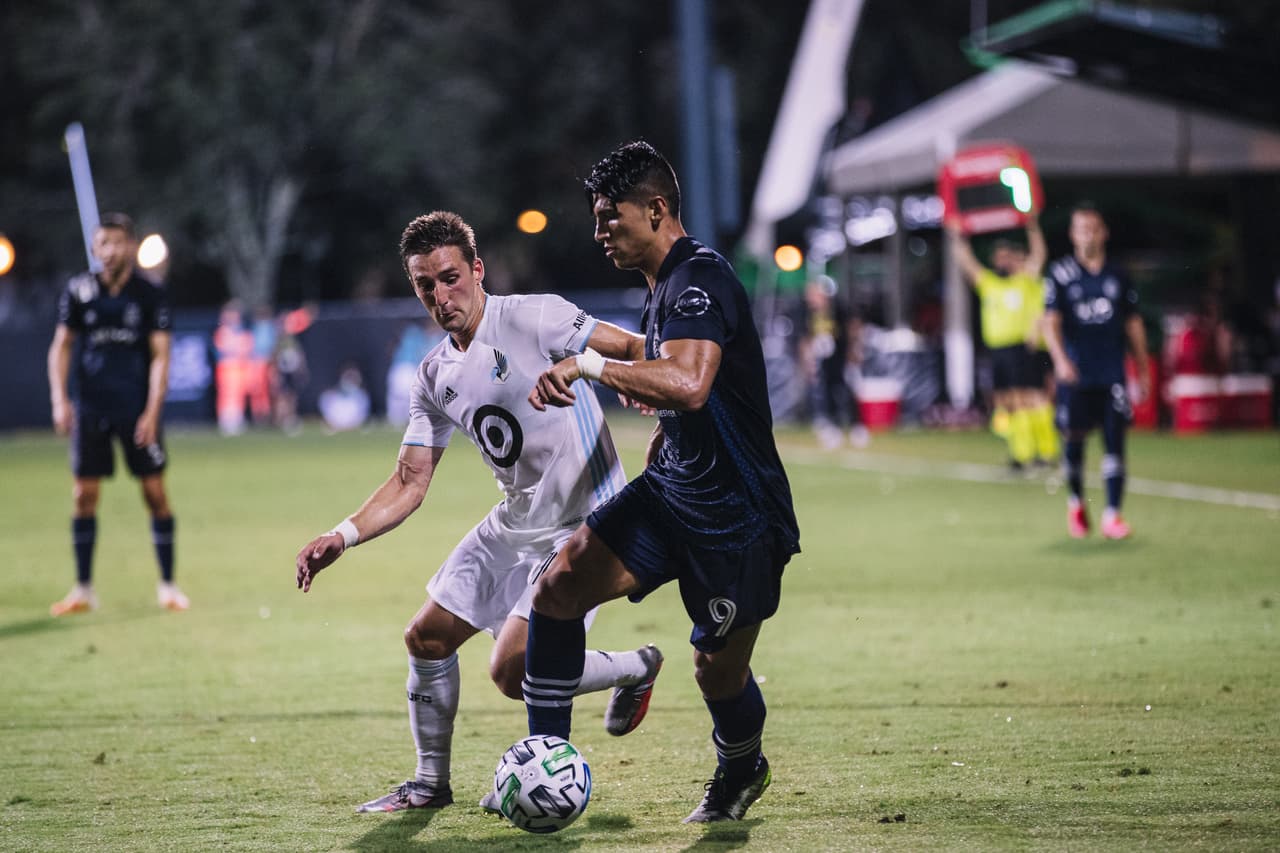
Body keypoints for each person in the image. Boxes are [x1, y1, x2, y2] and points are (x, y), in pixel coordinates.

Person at [294, 211, 663, 814]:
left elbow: (630, 347)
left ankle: (634, 667)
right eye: (424, 285)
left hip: (584, 522)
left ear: (477, 270)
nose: (440, 296)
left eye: (449, 277)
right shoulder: (434, 373)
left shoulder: (533, 316)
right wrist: (343, 534)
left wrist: (641, 384)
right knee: (426, 637)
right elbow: (411, 480)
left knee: (512, 670)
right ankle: (429, 784)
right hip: (517, 518)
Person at [523, 140, 800, 823]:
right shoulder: (663, 288)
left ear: (656, 209)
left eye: (610, 217)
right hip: (673, 492)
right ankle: (545, 765)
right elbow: (682, 403)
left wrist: (588, 364)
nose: (598, 233)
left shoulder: (698, 280)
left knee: (717, 672)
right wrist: (659, 445)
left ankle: (742, 766)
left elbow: (689, 384)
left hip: (737, 519)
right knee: (558, 587)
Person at [46, 212, 188, 615]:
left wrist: (152, 412)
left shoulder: (150, 294)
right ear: (94, 248)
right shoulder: (79, 291)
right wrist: (60, 399)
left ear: (130, 246)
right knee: (83, 495)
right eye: (101, 243)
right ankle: (83, 589)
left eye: (116, 242)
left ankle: (168, 586)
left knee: (155, 493)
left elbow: (161, 357)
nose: (108, 251)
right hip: (91, 408)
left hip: (136, 409)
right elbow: (61, 346)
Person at [1043, 203, 1151, 539]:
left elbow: (1133, 323)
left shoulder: (1118, 275)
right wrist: (1061, 361)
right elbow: (1051, 323)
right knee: (1074, 442)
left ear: (1104, 232)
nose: (1088, 234)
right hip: (1076, 374)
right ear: (1073, 235)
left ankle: (1112, 515)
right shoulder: (1060, 274)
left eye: (1094, 227)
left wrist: (1143, 368)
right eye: (1082, 228)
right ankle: (1076, 502)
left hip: (1111, 372)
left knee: (1115, 443)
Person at [948, 217, 1058, 470]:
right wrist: (958, 237)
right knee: (1008, 401)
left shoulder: (1025, 280)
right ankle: (1021, 454)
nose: (1002, 262)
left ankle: (1046, 451)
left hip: (1022, 347)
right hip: (998, 350)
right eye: (998, 258)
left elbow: (1039, 254)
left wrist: (1032, 225)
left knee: (1031, 397)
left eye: (1006, 257)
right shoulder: (991, 283)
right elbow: (967, 263)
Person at [797, 276, 869, 449]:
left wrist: (854, 350)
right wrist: (807, 358)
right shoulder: (810, 313)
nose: (811, 298)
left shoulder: (838, 309)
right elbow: (806, 337)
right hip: (824, 360)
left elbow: (854, 326)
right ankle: (832, 427)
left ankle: (856, 425)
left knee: (845, 388)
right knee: (827, 390)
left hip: (842, 356)